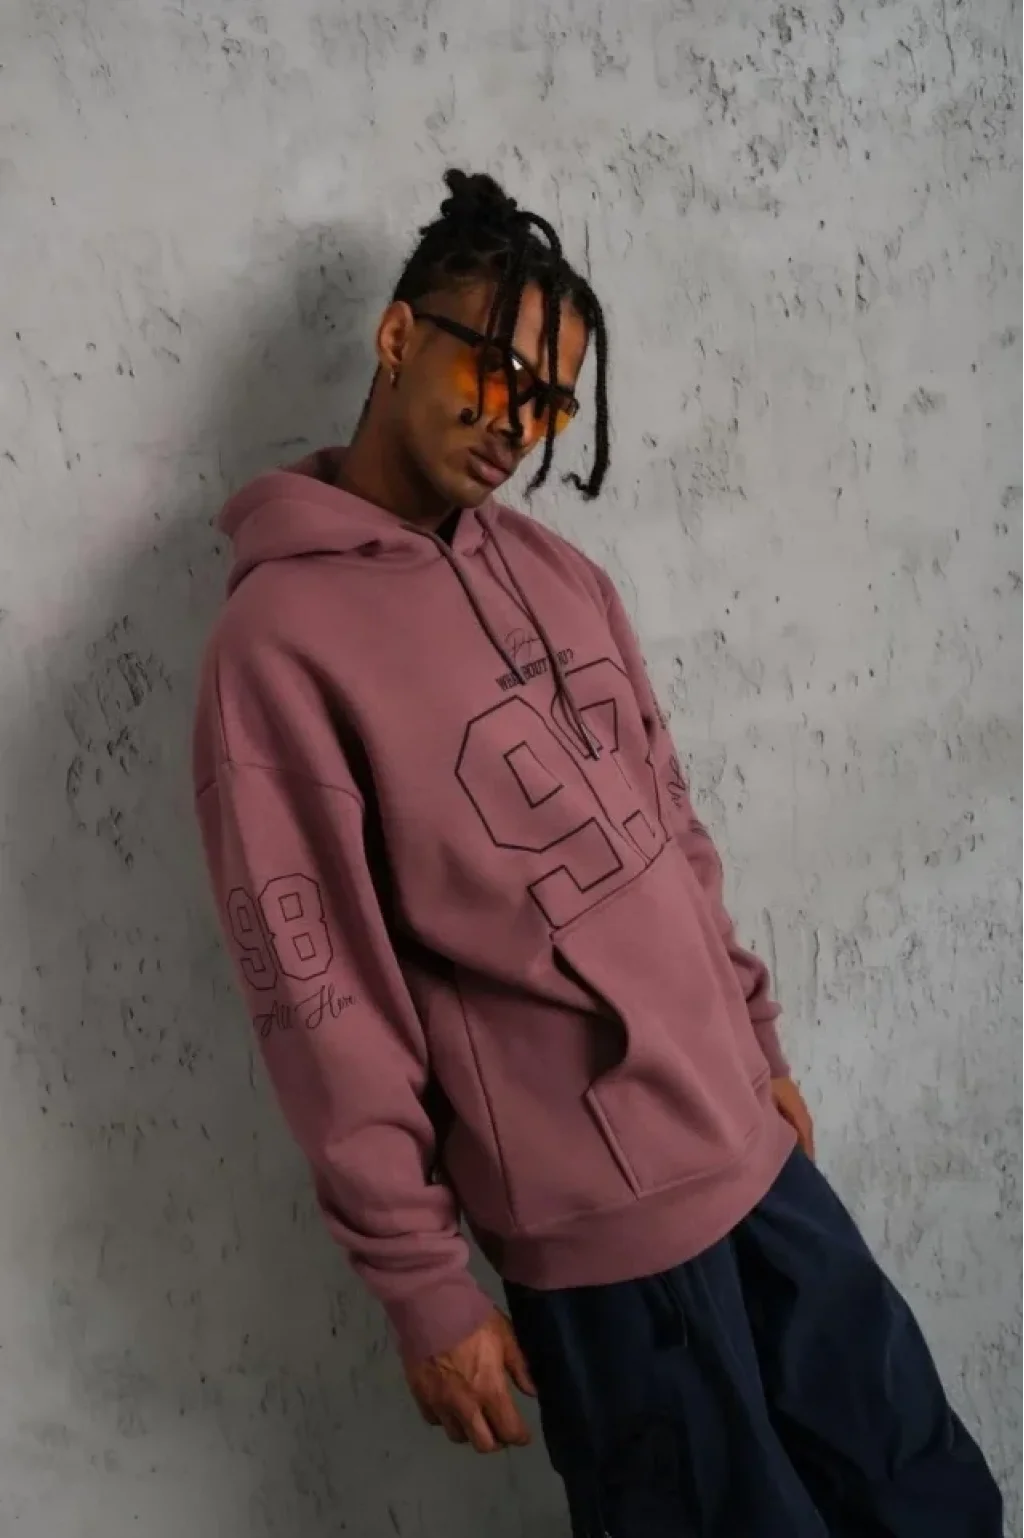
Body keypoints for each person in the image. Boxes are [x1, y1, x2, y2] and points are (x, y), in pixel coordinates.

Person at [193, 168, 1002, 1536]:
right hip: (599, 1230)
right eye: (496, 369)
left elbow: (672, 828)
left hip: (751, 1151)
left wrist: (755, 1041)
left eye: (551, 400)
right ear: (398, 337)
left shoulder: (559, 575)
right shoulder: (276, 649)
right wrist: (422, 1280)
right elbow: (323, 997)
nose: (518, 421)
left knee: (928, 1496)